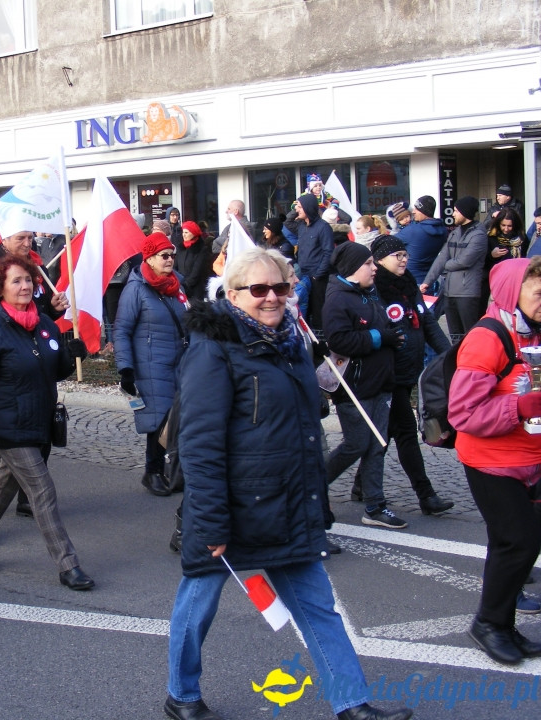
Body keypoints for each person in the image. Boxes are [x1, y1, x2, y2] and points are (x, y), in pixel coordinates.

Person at [165, 247, 412, 720]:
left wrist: (314, 500)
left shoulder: (293, 342)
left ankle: (352, 703)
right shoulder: (212, 347)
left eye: (281, 287)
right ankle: (182, 695)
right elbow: (199, 441)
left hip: (288, 503)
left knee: (319, 608)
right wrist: (212, 518)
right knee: (198, 609)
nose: (272, 298)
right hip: (232, 508)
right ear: (233, 294)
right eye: (258, 290)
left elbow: (305, 429)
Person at [0, 254, 93, 590]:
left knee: (5, 484)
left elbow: (54, 369)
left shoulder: (43, 323)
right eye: (16, 280)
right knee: (42, 492)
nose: (25, 286)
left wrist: (73, 353)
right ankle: (68, 564)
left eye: (28, 279)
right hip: (7, 426)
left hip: (38, 421)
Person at [449, 257, 541, 665]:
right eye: (538, 293)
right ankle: (489, 624)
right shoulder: (488, 338)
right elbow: (463, 415)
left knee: (523, 544)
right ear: (512, 293)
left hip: (531, 457)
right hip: (492, 461)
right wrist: (521, 407)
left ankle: (502, 623)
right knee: (516, 542)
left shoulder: (533, 333)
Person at [362, 236, 454, 515]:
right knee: (405, 433)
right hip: (388, 374)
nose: (403, 259)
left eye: (405, 254)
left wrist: (451, 357)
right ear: (379, 259)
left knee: (381, 435)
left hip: (409, 370)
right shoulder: (373, 288)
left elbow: (427, 322)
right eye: (397, 255)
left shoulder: (409, 283)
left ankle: (359, 485)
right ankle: (426, 496)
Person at [322, 242, 408, 529]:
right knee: (357, 443)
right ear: (351, 268)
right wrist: (379, 338)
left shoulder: (369, 293)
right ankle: (312, 487)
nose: (374, 268)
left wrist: (393, 336)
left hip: (381, 382)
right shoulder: (338, 298)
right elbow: (339, 341)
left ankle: (375, 506)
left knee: (377, 446)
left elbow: (380, 326)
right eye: (368, 263)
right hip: (355, 388)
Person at [114, 231, 189, 497]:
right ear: (150, 258)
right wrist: (125, 368)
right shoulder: (135, 289)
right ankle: (153, 471)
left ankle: (176, 470)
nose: (170, 260)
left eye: (172, 255)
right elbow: (121, 329)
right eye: (164, 255)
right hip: (150, 363)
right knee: (160, 418)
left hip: (180, 361)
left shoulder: (177, 285)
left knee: (181, 417)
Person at [420, 196, 488, 339]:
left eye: (456, 211)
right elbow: (441, 258)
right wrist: (427, 282)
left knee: (470, 335)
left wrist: (446, 265)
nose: (453, 214)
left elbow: (465, 261)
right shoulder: (455, 233)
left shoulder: (479, 235)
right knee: (455, 335)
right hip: (449, 292)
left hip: (467, 293)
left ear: (465, 212)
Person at [293, 193, 334, 329]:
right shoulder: (301, 226)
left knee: (318, 313)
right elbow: (287, 222)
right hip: (303, 276)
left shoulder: (323, 227)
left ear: (308, 208)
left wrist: (318, 274)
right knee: (304, 311)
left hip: (317, 278)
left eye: (299, 207)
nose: (296, 209)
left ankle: (321, 343)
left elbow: (328, 252)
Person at [482, 207, 527, 312]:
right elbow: (482, 262)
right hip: (496, 281)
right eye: (503, 225)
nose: (506, 229)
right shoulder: (491, 237)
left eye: (509, 226)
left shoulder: (522, 239)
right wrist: (491, 255)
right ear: (498, 224)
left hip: (516, 280)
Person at [397, 195, 447, 281]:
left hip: (411, 279)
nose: (413, 212)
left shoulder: (413, 231)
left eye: (417, 209)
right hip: (431, 279)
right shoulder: (443, 230)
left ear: (425, 211)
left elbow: (388, 243)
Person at [175, 221, 212, 301]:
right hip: (180, 288)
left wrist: (185, 285)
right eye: (183, 232)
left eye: (186, 232)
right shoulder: (181, 248)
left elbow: (197, 271)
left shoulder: (201, 249)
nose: (183, 235)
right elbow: (175, 267)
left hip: (195, 291)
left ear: (193, 233)